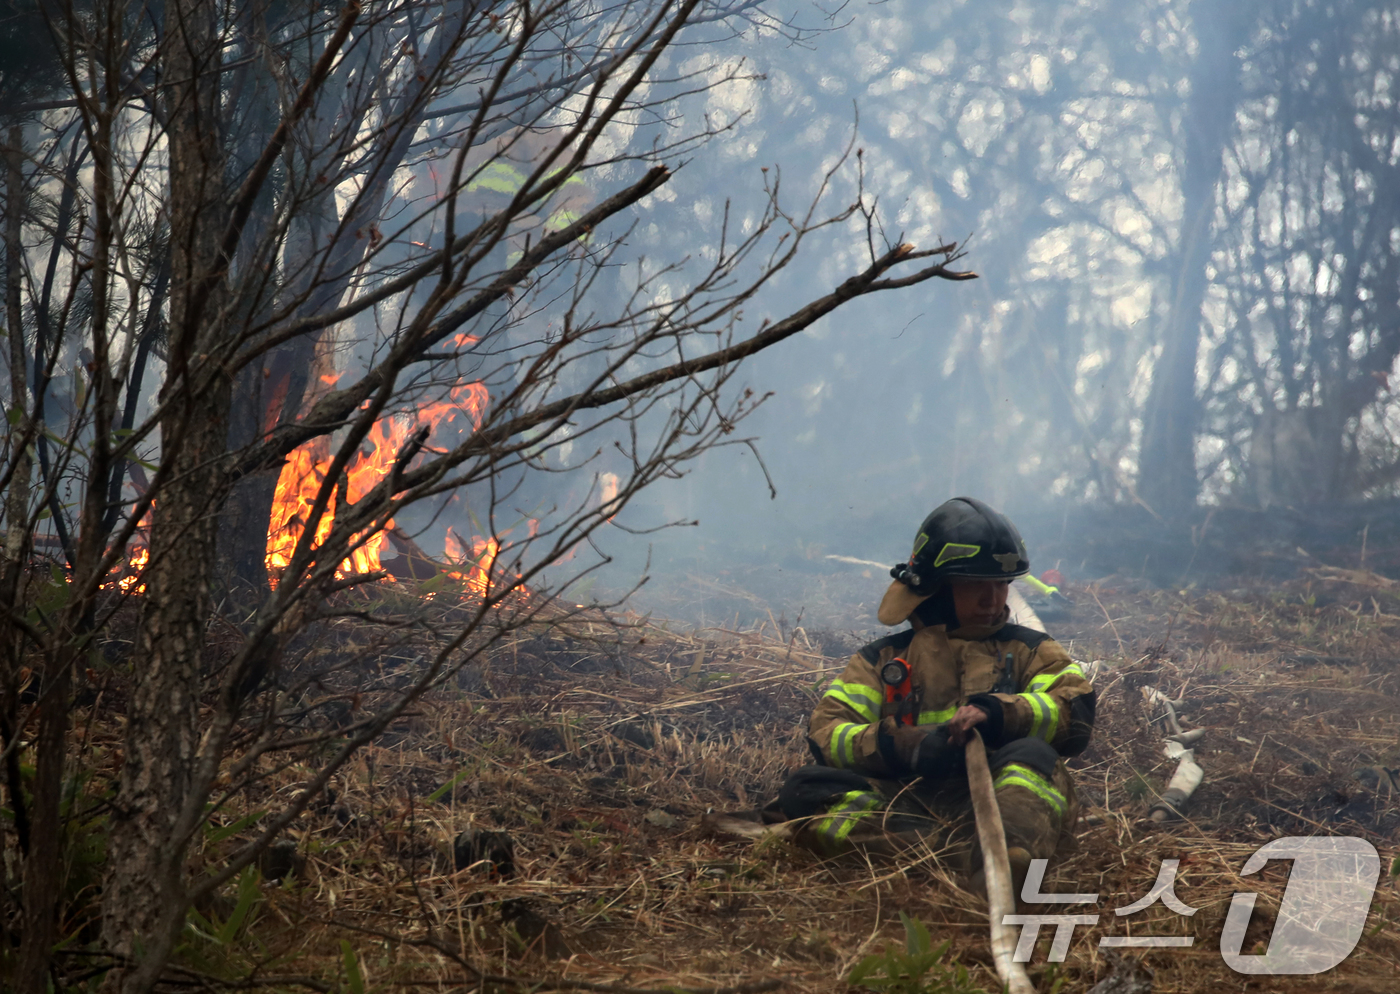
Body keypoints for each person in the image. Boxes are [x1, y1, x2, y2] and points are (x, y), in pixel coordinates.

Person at [773, 497, 1096, 895]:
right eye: (976, 585)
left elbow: (1074, 711)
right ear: (936, 588)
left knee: (1034, 760)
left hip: (998, 793)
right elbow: (828, 734)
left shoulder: (1031, 649)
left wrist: (998, 714)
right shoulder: (881, 660)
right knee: (805, 789)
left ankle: (1008, 852)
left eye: (1001, 585)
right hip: (906, 800)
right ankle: (957, 853)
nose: (993, 600)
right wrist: (903, 746)